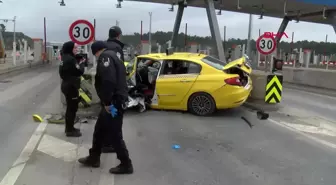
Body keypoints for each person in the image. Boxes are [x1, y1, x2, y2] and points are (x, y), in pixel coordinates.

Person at [78, 41, 133, 174]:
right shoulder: (114, 56)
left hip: (113, 103)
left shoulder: (105, 57)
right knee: (100, 130)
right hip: (113, 101)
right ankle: (94, 157)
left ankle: (126, 164)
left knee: (114, 133)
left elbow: (108, 81)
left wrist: (108, 103)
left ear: (96, 51)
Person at [101, 25, 126, 153]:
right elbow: (117, 70)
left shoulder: (104, 46)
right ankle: (112, 144)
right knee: (115, 120)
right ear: (118, 35)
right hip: (115, 92)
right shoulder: (116, 48)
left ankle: (106, 143)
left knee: (107, 118)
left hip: (106, 91)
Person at [59, 41, 85, 137]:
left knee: (70, 108)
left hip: (66, 84)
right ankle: (70, 130)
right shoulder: (70, 59)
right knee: (72, 109)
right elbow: (79, 71)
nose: (77, 50)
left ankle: (69, 128)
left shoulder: (64, 58)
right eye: (75, 48)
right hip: (71, 87)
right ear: (70, 49)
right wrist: (82, 63)